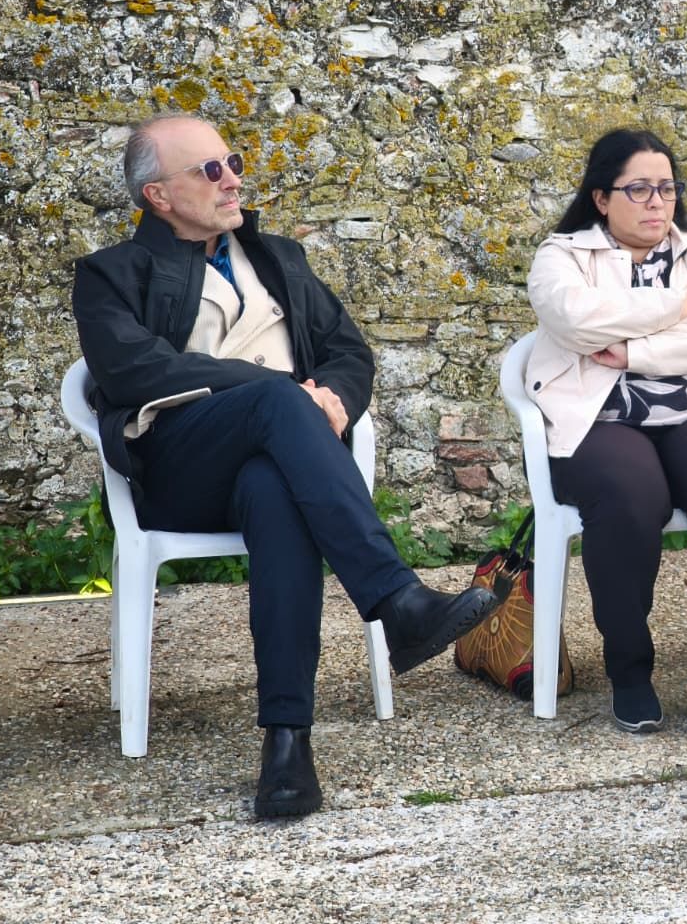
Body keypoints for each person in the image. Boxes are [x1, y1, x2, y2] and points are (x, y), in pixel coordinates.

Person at [72, 114, 496, 818]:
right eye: (209, 169)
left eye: (231, 160)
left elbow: (350, 353)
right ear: (158, 196)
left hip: (277, 461)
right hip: (182, 466)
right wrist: (282, 393)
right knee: (274, 400)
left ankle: (287, 749)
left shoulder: (280, 260)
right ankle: (397, 602)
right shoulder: (111, 274)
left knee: (275, 490)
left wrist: (330, 400)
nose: (232, 177)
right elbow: (130, 369)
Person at [525, 129, 687, 734]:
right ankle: (629, 668)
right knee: (631, 495)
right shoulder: (561, 255)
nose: (658, 202)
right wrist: (674, 309)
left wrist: (632, 354)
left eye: (667, 188)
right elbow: (573, 319)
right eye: (639, 189)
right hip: (596, 413)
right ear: (602, 198)